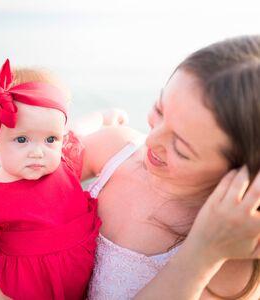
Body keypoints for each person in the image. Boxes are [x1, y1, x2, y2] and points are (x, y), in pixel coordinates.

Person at [81, 35, 260, 299]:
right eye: (160, 110)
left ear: (239, 174)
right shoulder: (114, 151)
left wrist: (202, 255)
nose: (151, 139)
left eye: (181, 149)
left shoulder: (227, 255)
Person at [0, 59, 103, 299]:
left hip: (76, 281)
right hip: (26, 289)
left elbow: (79, 129)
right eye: (22, 140)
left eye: (50, 139)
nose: (38, 151)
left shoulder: (64, 162)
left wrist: (106, 118)